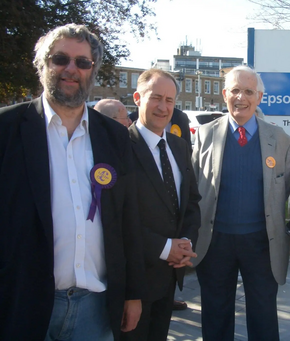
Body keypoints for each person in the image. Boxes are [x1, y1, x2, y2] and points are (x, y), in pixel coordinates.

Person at [0, 24, 145, 341]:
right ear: (43, 65)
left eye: (82, 62)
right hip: (21, 305)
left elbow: (128, 219)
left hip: (94, 309)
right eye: (60, 59)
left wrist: (133, 293)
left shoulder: (116, 136)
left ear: (92, 71)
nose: (71, 69)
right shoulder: (7, 129)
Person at [192, 65, 290, 341]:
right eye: (235, 90)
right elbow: (194, 188)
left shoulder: (282, 141)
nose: (241, 97)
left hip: (262, 244)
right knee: (215, 315)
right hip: (215, 242)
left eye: (248, 91)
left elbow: (282, 191)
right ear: (225, 94)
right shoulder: (203, 135)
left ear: (259, 97)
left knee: (263, 317)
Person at [121, 69, 201, 341]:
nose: (163, 107)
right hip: (133, 283)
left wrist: (186, 241)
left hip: (169, 279)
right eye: (156, 98)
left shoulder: (179, 147)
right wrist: (165, 248)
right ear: (137, 98)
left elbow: (191, 202)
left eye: (169, 100)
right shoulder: (119, 148)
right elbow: (116, 217)